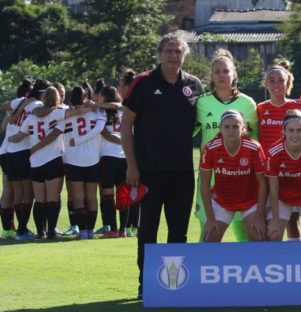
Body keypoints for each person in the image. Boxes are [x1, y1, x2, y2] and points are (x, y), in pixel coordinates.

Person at [122, 32, 205, 297]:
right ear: (160, 54)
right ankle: (146, 284)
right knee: (148, 229)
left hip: (182, 171)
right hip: (149, 171)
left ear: (185, 55)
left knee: (178, 231)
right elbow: (126, 126)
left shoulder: (194, 85)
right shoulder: (143, 82)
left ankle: (174, 285)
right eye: (169, 51)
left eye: (178, 51)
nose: (173, 56)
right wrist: (132, 166)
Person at [194, 50, 259, 242]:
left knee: (246, 235)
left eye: (226, 71)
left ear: (234, 75)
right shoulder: (201, 103)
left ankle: (248, 270)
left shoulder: (248, 104)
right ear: (212, 76)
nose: (222, 75)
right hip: (211, 178)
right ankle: (204, 270)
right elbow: (185, 134)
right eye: (217, 72)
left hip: (242, 180)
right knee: (208, 234)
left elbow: (256, 141)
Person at [199, 111, 268, 243]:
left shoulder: (254, 147)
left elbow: (263, 183)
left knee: (259, 236)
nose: (231, 130)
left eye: (235, 126)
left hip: (250, 200)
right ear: (220, 129)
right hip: (221, 201)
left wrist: (259, 217)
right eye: (227, 127)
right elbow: (205, 183)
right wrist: (210, 218)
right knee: (209, 238)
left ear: (243, 128)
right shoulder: (210, 148)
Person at [12, 86, 65, 239]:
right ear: (57, 98)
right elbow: (75, 112)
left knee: (40, 200)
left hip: (35, 162)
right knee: (52, 199)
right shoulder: (59, 113)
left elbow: (19, 135)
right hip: (53, 160)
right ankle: (51, 231)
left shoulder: (32, 117)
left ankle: (40, 232)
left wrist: (10, 139)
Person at [265, 109, 301, 241]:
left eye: (299, 130)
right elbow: (273, 189)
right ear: (283, 131)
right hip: (282, 198)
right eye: (291, 130)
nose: (295, 134)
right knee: (273, 234)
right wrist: (275, 220)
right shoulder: (274, 152)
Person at [62, 84, 107, 239]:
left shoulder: (65, 113)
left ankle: (82, 232)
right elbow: (99, 128)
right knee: (92, 197)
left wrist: (77, 140)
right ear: (87, 96)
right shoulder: (98, 111)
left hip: (73, 159)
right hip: (93, 159)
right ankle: (90, 231)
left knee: (78, 198)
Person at [98, 76, 134, 238]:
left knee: (107, 194)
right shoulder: (124, 109)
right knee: (123, 194)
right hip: (124, 157)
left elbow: (105, 133)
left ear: (104, 98)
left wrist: (118, 139)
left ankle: (112, 229)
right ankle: (123, 230)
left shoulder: (102, 111)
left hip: (108, 157)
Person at [1, 80, 37, 240]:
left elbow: (3, 125)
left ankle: (8, 229)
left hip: (6, 150)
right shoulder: (27, 103)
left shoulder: (15, 106)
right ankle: (16, 229)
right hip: (16, 150)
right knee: (21, 191)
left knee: (9, 191)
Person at [256, 63, 301, 152]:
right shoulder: (260, 108)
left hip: (290, 160)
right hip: (267, 161)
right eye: (272, 81)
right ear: (266, 84)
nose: (276, 84)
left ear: (288, 84)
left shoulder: (298, 108)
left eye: (281, 80)